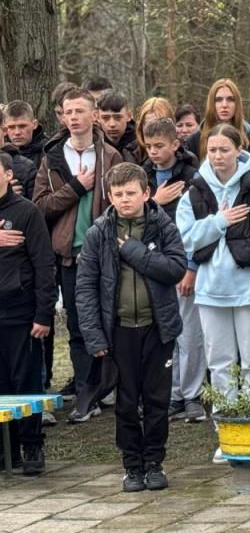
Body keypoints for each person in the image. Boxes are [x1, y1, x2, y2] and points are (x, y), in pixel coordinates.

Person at [77, 163, 186, 492]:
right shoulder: (98, 233)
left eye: (131, 193)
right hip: (119, 330)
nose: (125, 199)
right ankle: (132, 466)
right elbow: (85, 288)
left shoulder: (163, 227)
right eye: (118, 194)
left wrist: (136, 252)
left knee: (156, 400)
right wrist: (94, 335)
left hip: (157, 328)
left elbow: (176, 269)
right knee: (125, 402)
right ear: (110, 197)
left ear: (146, 193)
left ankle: (154, 462)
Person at [175, 123, 250, 463]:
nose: (218, 156)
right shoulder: (194, 192)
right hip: (210, 291)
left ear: (239, 150)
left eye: (224, 149)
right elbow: (185, 238)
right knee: (219, 363)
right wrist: (219, 221)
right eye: (212, 150)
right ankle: (229, 432)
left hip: (249, 290)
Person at [33, 89, 123, 422]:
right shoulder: (52, 157)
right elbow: (40, 206)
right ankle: (86, 395)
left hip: (105, 255)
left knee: (110, 322)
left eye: (80, 111)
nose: (73, 117)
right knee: (78, 326)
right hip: (70, 256)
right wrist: (75, 187)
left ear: (94, 115)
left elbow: (123, 203)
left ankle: (110, 386)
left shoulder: (111, 156)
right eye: (68, 112)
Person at [139, 117, 205, 422]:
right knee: (163, 334)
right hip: (152, 263)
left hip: (182, 264)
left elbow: (198, 227)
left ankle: (191, 395)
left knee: (189, 333)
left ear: (175, 144)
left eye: (159, 146)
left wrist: (191, 267)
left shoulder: (192, 177)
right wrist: (154, 200)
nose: (153, 151)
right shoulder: (143, 176)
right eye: (149, 146)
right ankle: (170, 393)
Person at [0, 151, 56, 475]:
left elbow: (43, 264)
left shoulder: (27, 212)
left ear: (9, 175)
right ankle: (6, 450)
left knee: (26, 382)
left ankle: (32, 444)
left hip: (21, 313)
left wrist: (44, 313)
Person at [185, 79, 250, 168]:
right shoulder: (194, 141)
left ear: (237, 103)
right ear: (211, 103)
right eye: (218, 100)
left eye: (230, 99)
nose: (224, 105)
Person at [97, 91, 141, 164]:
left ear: (129, 116)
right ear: (97, 117)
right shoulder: (93, 145)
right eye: (105, 118)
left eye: (118, 118)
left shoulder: (142, 144)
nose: (112, 124)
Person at [2, 99, 47, 168]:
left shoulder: (49, 151)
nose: (17, 132)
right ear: (4, 127)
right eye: (11, 127)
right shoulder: (2, 151)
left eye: (22, 126)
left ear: (34, 124)